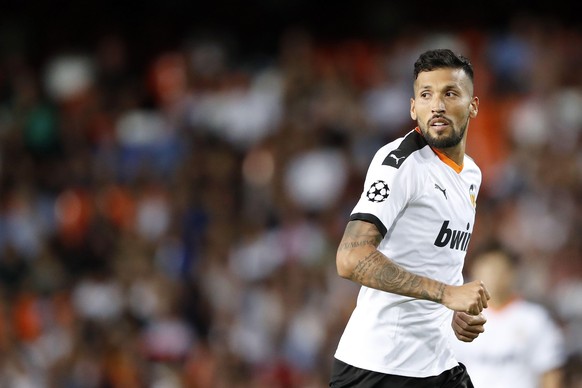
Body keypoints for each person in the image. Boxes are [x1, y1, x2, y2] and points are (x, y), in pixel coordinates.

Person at [330, 48, 490, 387]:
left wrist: (453, 313)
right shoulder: (400, 164)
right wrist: (447, 293)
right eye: (426, 94)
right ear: (413, 107)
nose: (438, 105)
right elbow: (349, 257)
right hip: (378, 369)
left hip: (437, 363)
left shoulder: (471, 173)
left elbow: (433, 256)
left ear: (473, 106)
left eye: (450, 93)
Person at [452, 242, 566, 388]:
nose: (493, 276)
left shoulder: (535, 318)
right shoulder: (459, 320)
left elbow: (550, 371)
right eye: (486, 269)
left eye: (498, 269)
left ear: (511, 272)